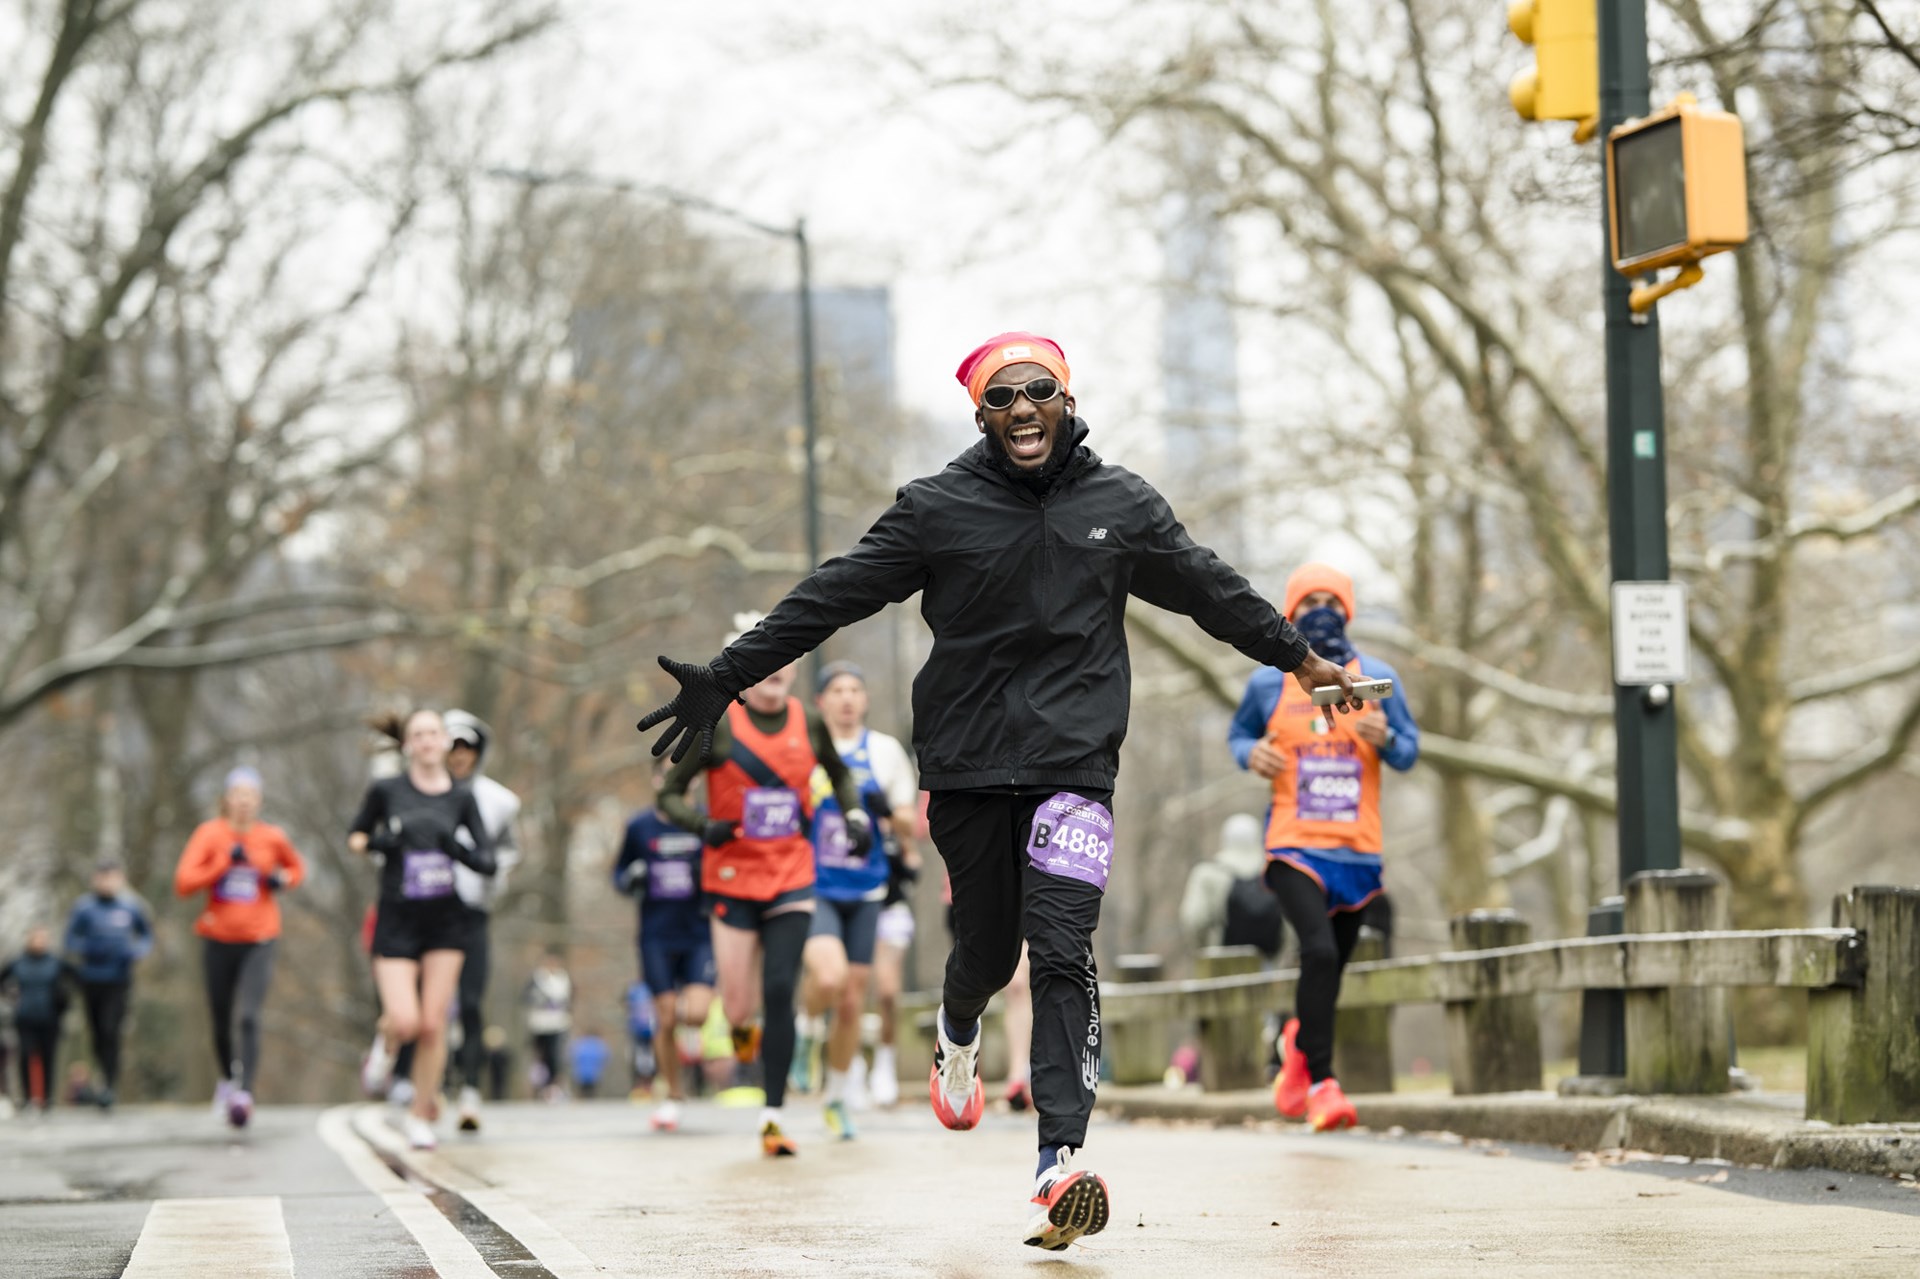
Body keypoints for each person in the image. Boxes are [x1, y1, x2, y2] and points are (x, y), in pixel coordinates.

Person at [637, 331, 1361, 1248]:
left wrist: (1300, 659)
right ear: (980, 413)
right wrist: (731, 674)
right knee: (985, 950)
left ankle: (1058, 1163)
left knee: (1061, 947)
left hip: (1074, 772)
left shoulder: (1122, 503)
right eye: (1001, 397)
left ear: (1066, 397)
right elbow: (835, 593)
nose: (1022, 408)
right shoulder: (937, 508)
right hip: (969, 767)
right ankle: (957, 1024)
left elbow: (1212, 589)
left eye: (1039, 390)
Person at [653, 639, 869, 1158]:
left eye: (783, 661)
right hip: (731, 879)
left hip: (791, 876)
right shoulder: (721, 721)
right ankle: (743, 1029)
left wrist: (854, 814)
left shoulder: (808, 723)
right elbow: (668, 794)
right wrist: (704, 826)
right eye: (762, 663)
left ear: (792, 670)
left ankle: (773, 1115)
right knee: (741, 1007)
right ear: (747, 672)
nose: (774, 671)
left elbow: (839, 774)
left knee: (779, 990)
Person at [1228, 562, 1419, 1132]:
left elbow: (1411, 749)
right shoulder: (1268, 681)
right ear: (1290, 613)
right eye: (1308, 600)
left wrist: (1388, 739)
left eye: (1330, 600)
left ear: (1348, 610)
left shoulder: (1379, 676)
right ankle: (1323, 1084)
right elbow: (1239, 734)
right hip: (1293, 845)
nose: (1321, 610)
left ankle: (1297, 1046)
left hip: (1357, 849)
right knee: (1320, 953)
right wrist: (1250, 754)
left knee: (1329, 973)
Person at [350, 708, 496, 1149]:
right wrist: (381, 843)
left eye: (435, 733)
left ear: (446, 743)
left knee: (433, 1024)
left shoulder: (461, 797)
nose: (429, 740)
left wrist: (459, 849)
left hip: (446, 922)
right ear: (408, 745)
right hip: (397, 919)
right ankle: (387, 1039)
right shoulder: (387, 790)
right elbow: (355, 837)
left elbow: (487, 861)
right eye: (420, 734)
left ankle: (420, 1114)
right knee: (407, 1020)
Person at [793, 660, 919, 1139]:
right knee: (828, 976)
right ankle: (807, 1029)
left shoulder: (885, 752)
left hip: (867, 889)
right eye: (837, 690)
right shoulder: (804, 747)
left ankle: (837, 1095)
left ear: (864, 700)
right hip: (813, 883)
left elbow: (911, 823)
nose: (847, 698)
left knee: (851, 1001)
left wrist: (887, 812)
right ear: (821, 701)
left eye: (855, 690)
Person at [173, 766, 306, 1128]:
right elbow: (183, 883)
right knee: (219, 1018)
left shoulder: (272, 837)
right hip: (217, 938)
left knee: (248, 1015)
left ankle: (244, 1092)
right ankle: (228, 1079)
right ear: (227, 799)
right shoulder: (209, 834)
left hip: (260, 937)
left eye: (251, 795)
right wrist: (220, 865)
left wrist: (280, 879)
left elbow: (296, 870)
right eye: (238, 794)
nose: (244, 801)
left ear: (259, 800)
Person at [613, 762, 714, 1132]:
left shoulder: (706, 821)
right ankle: (673, 1095)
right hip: (656, 935)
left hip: (700, 933)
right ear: (655, 780)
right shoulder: (640, 827)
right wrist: (630, 879)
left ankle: (690, 1070)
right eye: (665, 773)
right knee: (666, 1016)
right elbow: (618, 874)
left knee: (696, 1014)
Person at [441, 710, 522, 1133]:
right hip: (429, 910)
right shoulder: (421, 793)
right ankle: (426, 1084)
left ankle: (470, 1089)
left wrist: (494, 873)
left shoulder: (499, 801)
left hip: (473, 909)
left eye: (466, 750)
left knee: (471, 1003)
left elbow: (510, 850)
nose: (459, 758)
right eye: (451, 749)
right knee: (430, 1007)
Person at [63, 857, 153, 1109]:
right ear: (95, 879)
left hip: (119, 979)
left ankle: (108, 1085)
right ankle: (100, 1075)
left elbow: (146, 937)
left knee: (112, 1029)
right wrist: (89, 950)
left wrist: (135, 952)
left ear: (121, 879)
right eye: (103, 877)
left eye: (112, 876)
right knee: (97, 1031)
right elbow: (70, 939)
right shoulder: (84, 908)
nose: (107, 882)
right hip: (91, 978)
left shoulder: (131, 907)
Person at [864, 790, 926, 1110]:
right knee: (854, 991)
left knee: (887, 992)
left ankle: (885, 1065)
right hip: (859, 908)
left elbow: (914, 866)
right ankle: (850, 1066)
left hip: (891, 912)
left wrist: (892, 823)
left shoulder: (893, 827)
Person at [1177, 814, 1278, 955]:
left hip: (1221, 960)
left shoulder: (1208, 873)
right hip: (1270, 961)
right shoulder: (1274, 872)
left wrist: (1203, 950)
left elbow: (1195, 920)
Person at [0, 927, 78, 1112]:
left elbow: (76, 977)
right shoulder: (18, 963)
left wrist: (64, 999)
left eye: (42, 939)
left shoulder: (55, 962)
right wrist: (10, 998)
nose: (39, 942)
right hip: (25, 1017)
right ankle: (28, 1098)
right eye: (35, 938)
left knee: (49, 1057)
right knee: (25, 1056)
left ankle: (47, 1099)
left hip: (50, 1017)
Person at [524, 949, 572, 1101]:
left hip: (558, 1023)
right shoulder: (537, 979)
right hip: (539, 1024)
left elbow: (570, 1000)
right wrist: (541, 1000)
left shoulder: (564, 979)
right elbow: (526, 998)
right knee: (540, 1056)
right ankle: (540, 1087)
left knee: (555, 1055)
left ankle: (554, 1087)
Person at [570, 1028, 610, 1098]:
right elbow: (606, 1057)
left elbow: (572, 1056)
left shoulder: (580, 1043)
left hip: (580, 1073)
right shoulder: (599, 1044)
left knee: (582, 1092)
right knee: (592, 1092)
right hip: (594, 1074)